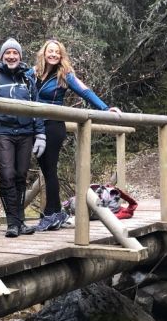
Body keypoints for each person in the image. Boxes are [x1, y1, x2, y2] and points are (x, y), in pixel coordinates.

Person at [28, 38, 121, 231]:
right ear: (43, 53)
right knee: (45, 169)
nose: (53, 54)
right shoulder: (33, 72)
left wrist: (105, 108)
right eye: (50, 51)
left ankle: (51, 213)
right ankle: (56, 213)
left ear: (61, 55)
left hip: (53, 125)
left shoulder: (65, 75)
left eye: (57, 52)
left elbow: (85, 92)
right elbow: (14, 78)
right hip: (36, 126)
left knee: (50, 170)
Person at [0, 38, 46, 237]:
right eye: (8, 53)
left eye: (15, 53)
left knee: (21, 175)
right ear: (2, 56)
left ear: (20, 56)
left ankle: (20, 222)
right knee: (7, 175)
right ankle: (12, 223)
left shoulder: (28, 80)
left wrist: (40, 133)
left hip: (25, 132)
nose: (12, 56)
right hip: (3, 132)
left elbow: (37, 108)